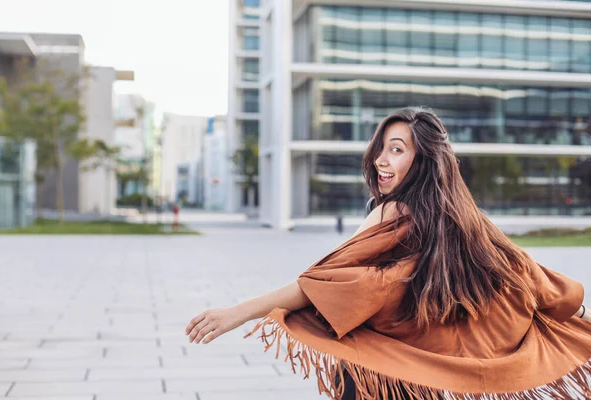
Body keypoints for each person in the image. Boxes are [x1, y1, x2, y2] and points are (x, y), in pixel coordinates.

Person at [185, 107, 591, 399]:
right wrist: (584, 317)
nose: (381, 158)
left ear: (424, 160)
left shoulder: (392, 212)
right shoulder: (466, 222)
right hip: (426, 380)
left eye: (396, 149)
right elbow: (531, 279)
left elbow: (328, 285)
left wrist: (237, 312)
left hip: (374, 374)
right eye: (382, 147)